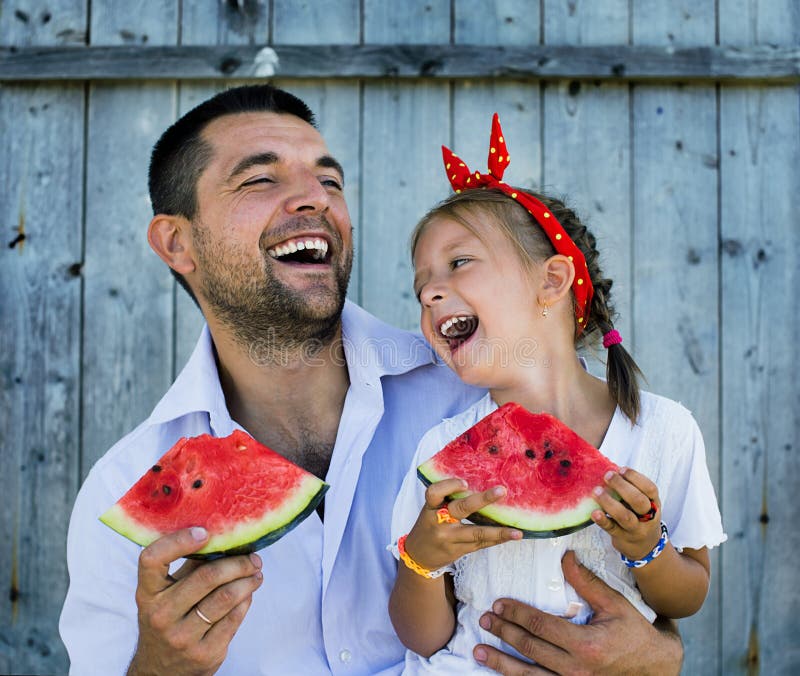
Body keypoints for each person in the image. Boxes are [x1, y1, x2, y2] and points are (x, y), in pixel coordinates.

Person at [59, 86, 685, 675]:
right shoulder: (120, 491)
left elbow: (632, 583)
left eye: (328, 179)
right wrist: (158, 667)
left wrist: (661, 656)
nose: (316, 199)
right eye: (261, 178)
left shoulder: (480, 395)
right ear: (176, 242)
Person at [388, 115, 726, 673]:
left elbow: (686, 596)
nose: (430, 291)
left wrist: (647, 546)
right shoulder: (443, 448)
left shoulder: (664, 431)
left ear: (552, 281)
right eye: (420, 283)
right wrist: (419, 561)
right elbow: (422, 636)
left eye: (459, 262)